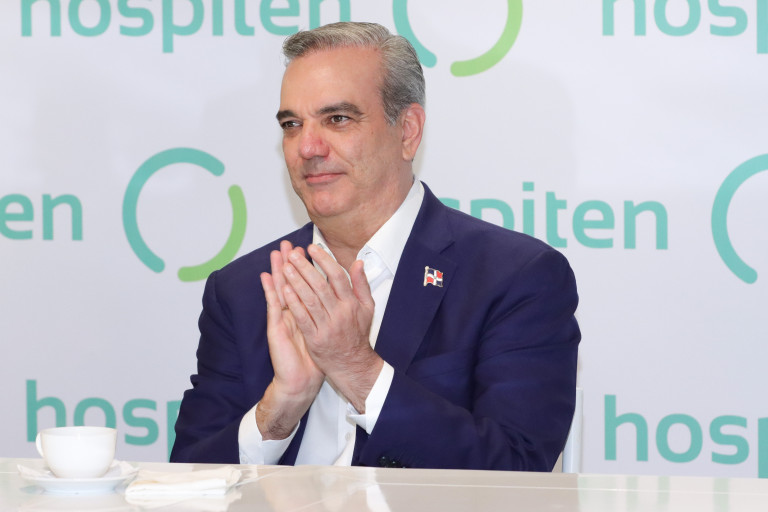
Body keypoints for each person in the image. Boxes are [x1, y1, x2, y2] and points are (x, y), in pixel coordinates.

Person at [171, 22, 580, 471]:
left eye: (337, 119)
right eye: (292, 125)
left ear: (407, 132)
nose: (307, 147)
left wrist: (359, 370)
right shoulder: (247, 288)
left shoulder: (514, 278)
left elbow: (516, 471)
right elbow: (188, 478)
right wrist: (280, 409)